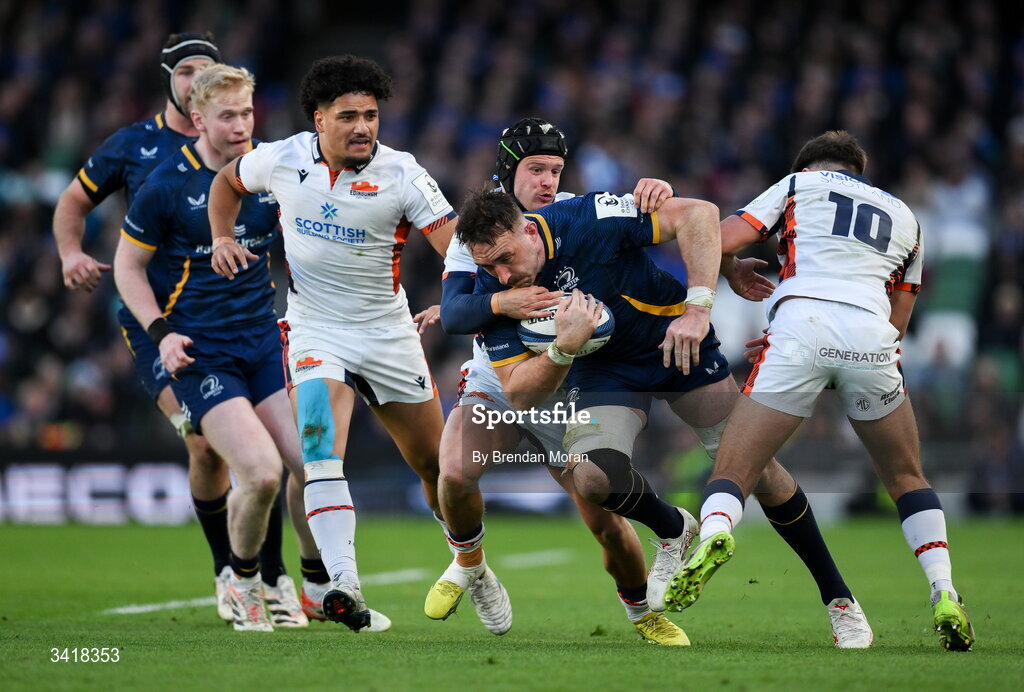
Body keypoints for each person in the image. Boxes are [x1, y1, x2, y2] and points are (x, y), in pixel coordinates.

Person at [455, 184, 874, 648]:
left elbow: (698, 214)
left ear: (525, 228)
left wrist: (698, 311)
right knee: (592, 478)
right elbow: (519, 396)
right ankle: (674, 528)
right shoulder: (492, 288)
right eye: (487, 264)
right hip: (603, 370)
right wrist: (563, 347)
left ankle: (841, 603)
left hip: (674, 341)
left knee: (760, 473)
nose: (502, 273)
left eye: (505, 257)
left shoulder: (586, 217)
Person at [665, 130, 975, 652]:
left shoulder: (796, 186)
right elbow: (898, 321)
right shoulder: (906, 218)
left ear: (809, 166)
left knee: (735, 471)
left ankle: (717, 528)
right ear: (860, 169)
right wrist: (845, 363)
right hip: (872, 338)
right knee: (905, 477)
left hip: (799, 329)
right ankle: (944, 590)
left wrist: (733, 274)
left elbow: (713, 234)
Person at [207, 55, 457, 632]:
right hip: (316, 330)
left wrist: (462, 295)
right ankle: (343, 584)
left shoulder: (403, 173)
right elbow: (226, 182)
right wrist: (222, 236)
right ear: (319, 119)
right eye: (348, 116)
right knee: (320, 453)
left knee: (436, 468)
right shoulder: (282, 158)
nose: (363, 127)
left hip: (390, 333)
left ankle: (473, 565)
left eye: (371, 115)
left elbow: (456, 248)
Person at [423, 117, 693, 645]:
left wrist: (662, 192)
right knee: (454, 471)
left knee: (605, 520)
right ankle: (472, 567)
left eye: (555, 170)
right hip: (499, 377)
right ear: (507, 172)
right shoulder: (477, 232)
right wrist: (504, 300)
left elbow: (658, 227)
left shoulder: (573, 212)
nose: (548, 180)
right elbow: (456, 315)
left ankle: (643, 613)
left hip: (569, 382)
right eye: (536, 169)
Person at [51, 31, 257, 621]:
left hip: (231, 321)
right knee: (206, 443)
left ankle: (265, 578)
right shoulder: (135, 146)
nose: (196, 78)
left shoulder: (245, 146)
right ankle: (229, 569)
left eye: (207, 69)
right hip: (156, 322)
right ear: (169, 77)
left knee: (251, 455)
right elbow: (71, 203)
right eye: (187, 69)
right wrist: (70, 254)